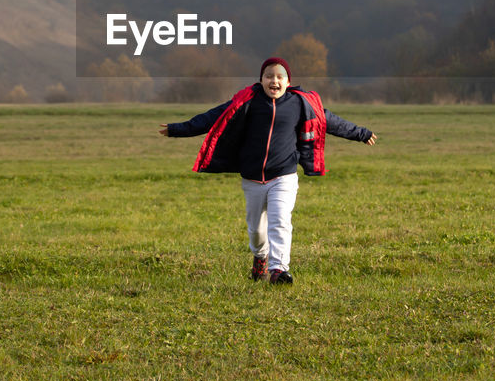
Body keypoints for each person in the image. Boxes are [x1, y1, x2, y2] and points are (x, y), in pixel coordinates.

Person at [159, 56, 377, 285]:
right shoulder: (246, 101)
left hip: (284, 176)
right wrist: (177, 129)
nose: (274, 80)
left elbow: (330, 121)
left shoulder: (300, 103)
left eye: (280, 76)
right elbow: (212, 117)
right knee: (256, 231)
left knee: (280, 220)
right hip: (253, 179)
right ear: (261, 80)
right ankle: (260, 257)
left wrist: (360, 134)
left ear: (288, 81)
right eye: (269, 76)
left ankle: (278, 270)